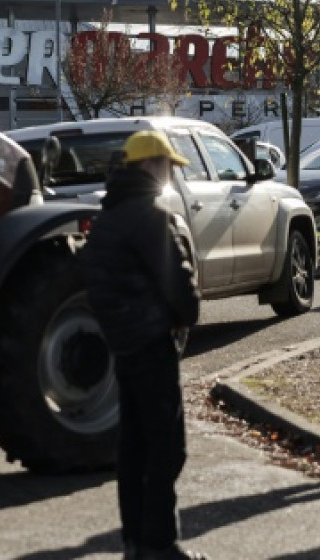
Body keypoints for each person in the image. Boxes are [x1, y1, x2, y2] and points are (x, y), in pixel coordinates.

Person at [81, 130, 205, 560]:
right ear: (152, 166)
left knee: (132, 447)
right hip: (153, 344)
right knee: (167, 448)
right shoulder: (152, 216)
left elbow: (93, 285)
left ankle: (135, 542)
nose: (171, 174)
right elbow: (179, 282)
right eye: (169, 166)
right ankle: (160, 545)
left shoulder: (107, 218)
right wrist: (186, 317)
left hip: (125, 346)